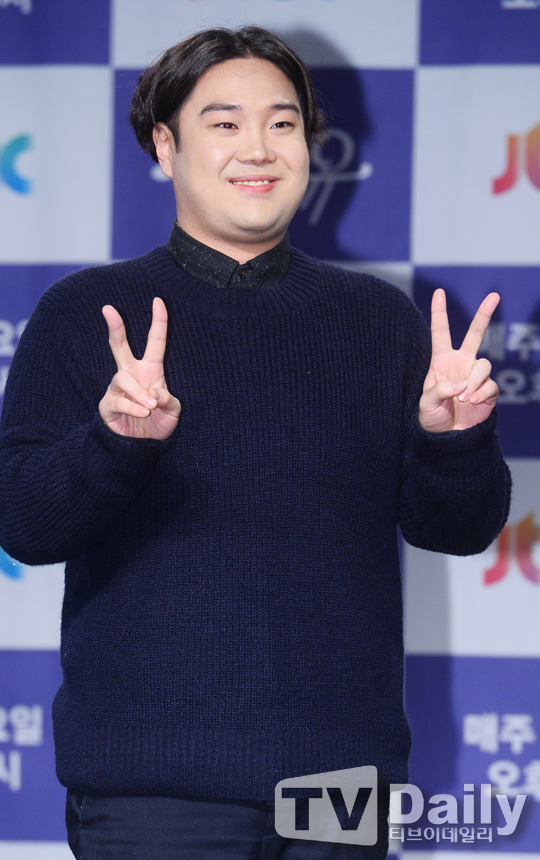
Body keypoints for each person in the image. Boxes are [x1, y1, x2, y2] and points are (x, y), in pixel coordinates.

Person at [0, 25, 510, 860]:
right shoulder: (88, 314)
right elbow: (24, 522)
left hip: (342, 785)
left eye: (282, 123)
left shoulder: (379, 320)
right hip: (154, 794)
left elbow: (456, 529)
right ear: (165, 146)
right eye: (225, 123)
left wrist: (452, 440)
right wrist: (115, 442)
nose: (259, 149)